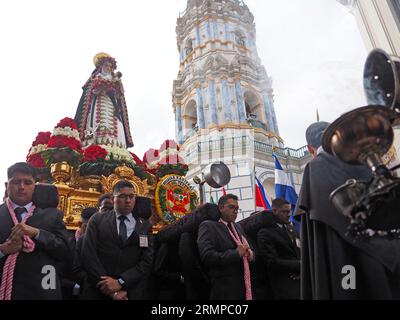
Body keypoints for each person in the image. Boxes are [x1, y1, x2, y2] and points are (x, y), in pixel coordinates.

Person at [296, 121, 400, 299]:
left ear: (310, 148)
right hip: (383, 247)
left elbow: (312, 221)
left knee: (350, 289)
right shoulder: (363, 160)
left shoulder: (315, 167)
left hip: (340, 255)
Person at [0, 162, 70, 300]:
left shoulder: (52, 215)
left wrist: (37, 234)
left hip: (40, 290)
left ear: (35, 187)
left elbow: (65, 252)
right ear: (7, 186)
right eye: (16, 182)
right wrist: (3, 250)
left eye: (27, 183)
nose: (21, 187)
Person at [81, 180, 153, 300]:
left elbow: (146, 260)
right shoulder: (98, 220)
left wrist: (121, 282)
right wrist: (107, 287)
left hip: (129, 291)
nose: (128, 200)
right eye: (123, 196)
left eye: (131, 196)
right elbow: (88, 254)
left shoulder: (144, 225)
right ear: (113, 198)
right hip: (97, 290)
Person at [197, 194, 254, 300]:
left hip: (244, 287)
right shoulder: (208, 226)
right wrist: (236, 253)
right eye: (232, 207)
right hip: (224, 290)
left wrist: (250, 253)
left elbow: (247, 248)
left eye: (237, 208)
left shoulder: (237, 227)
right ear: (221, 208)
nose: (236, 211)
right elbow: (207, 256)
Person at [74, 53, 134, 148]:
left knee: (116, 128)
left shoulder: (116, 79)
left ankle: (117, 150)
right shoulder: (94, 79)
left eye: (111, 67)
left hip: (112, 108)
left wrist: (116, 87)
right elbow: (89, 93)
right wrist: (98, 89)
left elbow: (120, 96)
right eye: (106, 65)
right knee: (96, 126)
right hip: (97, 105)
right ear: (100, 66)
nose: (108, 68)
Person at [257, 198, 300, 300]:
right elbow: (271, 262)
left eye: (289, 211)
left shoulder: (291, 228)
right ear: (275, 211)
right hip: (285, 285)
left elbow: (299, 251)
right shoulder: (265, 233)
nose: (288, 214)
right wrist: (299, 265)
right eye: (284, 211)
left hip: (301, 280)